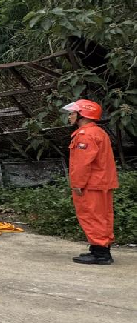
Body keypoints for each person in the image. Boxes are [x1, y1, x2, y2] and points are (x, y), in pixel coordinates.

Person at [64, 100, 118, 265]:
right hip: (101, 182)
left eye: (73, 113)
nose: (70, 116)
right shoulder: (98, 132)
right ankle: (100, 249)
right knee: (103, 216)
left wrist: (77, 184)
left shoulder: (85, 135)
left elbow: (82, 164)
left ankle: (101, 254)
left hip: (91, 184)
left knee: (91, 216)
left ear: (82, 115)